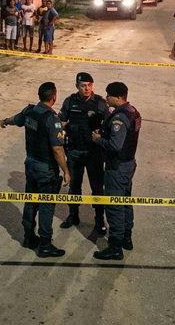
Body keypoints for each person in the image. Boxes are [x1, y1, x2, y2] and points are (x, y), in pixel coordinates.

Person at [0, 82, 70, 257]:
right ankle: (45, 244)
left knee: (31, 202)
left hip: (30, 164)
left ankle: (29, 237)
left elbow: (16, 119)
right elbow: (57, 149)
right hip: (46, 169)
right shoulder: (52, 119)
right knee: (46, 207)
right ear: (54, 96)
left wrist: (4, 121)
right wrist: (66, 171)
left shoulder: (30, 111)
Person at [91, 82, 141, 260]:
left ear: (118, 98)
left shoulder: (119, 118)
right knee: (126, 202)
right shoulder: (133, 111)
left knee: (114, 206)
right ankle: (127, 238)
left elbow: (115, 145)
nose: (106, 98)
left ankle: (115, 246)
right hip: (128, 164)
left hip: (117, 167)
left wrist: (98, 140)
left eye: (109, 96)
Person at [58, 72, 110, 235]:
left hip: (93, 153)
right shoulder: (69, 101)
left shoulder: (100, 103)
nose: (86, 88)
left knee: (97, 188)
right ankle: (73, 216)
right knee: (74, 186)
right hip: (74, 150)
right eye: (83, 85)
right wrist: (69, 127)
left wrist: (101, 135)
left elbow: (108, 125)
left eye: (89, 85)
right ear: (77, 86)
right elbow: (60, 121)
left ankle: (99, 220)